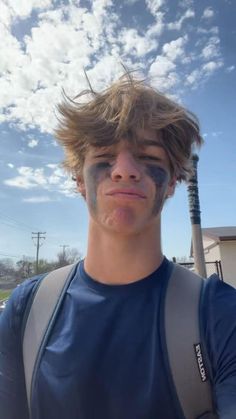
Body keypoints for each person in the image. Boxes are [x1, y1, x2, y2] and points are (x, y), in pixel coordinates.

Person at [0, 73, 236, 419]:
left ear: (171, 182)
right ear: (79, 179)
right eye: (106, 155)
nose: (125, 170)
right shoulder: (26, 310)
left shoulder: (220, 316)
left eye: (150, 157)